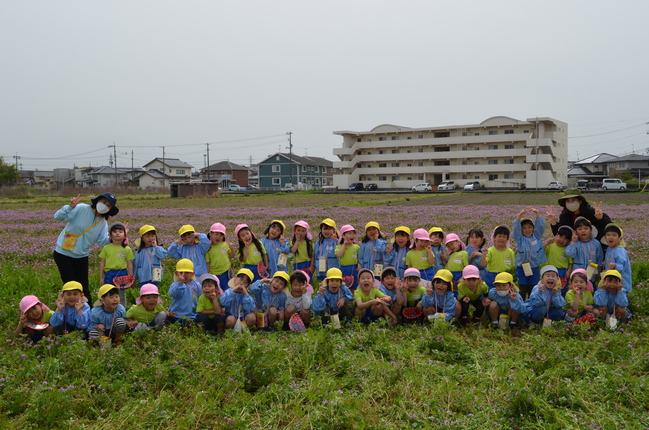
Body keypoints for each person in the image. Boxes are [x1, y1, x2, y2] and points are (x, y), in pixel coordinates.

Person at [53, 192, 118, 305]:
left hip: (82, 255)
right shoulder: (81, 208)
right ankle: (68, 312)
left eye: (108, 205)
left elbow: (102, 241)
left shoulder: (102, 222)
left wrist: (117, 237)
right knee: (70, 286)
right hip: (63, 254)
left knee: (83, 286)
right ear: (97, 201)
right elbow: (58, 217)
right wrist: (69, 208)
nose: (104, 205)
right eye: (103, 202)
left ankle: (88, 313)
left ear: (110, 209)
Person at [512, 207, 547, 300]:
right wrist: (519, 215)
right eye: (524, 228)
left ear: (533, 228)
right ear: (521, 230)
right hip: (522, 267)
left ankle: (531, 305)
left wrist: (537, 213)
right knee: (522, 290)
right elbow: (515, 228)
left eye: (530, 227)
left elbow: (540, 225)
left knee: (533, 288)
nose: (527, 230)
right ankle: (521, 306)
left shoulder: (537, 236)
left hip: (534, 267)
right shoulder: (519, 238)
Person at [99, 222, 134, 306]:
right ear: (110, 235)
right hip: (109, 273)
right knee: (108, 293)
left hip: (122, 274)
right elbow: (102, 263)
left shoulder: (127, 249)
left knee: (121, 294)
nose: (117, 233)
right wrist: (101, 277)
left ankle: (121, 311)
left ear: (125, 236)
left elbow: (129, 264)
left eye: (120, 231)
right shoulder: (106, 248)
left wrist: (131, 276)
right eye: (115, 232)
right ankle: (109, 309)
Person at [565, 217, 604, 283]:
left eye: (586, 228)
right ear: (576, 232)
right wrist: (573, 241)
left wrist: (599, 270)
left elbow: (599, 257)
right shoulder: (574, 243)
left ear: (591, 230)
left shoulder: (596, 243)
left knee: (590, 290)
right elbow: (570, 254)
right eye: (579, 229)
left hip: (592, 273)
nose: (583, 231)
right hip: (578, 273)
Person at [481, 225, 515, 290]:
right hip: (492, 275)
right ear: (494, 237)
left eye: (504, 237)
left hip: (505, 275)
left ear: (507, 239)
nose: (501, 238)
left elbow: (513, 266)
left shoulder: (510, 252)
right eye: (499, 236)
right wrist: (484, 255)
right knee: (492, 292)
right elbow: (483, 264)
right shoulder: (490, 250)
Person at [167, 259, 201, 324]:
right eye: (181, 272)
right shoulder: (175, 285)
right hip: (176, 316)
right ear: (176, 273)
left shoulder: (197, 285)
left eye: (187, 272)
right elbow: (174, 294)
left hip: (191, 316)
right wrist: (180, 283)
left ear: (192, 273)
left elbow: (201, 297)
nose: (184, 275)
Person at [542, 226, 574, 294]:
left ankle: (561, 301)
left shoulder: (567, 249)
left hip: (562, 272)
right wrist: (547, 243)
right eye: (560, 237)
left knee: (562, 289)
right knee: (550, 287)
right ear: (556, 235)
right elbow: (541, 250)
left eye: (565, 239)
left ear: (569, 241)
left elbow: (570, 263)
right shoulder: (551, 245)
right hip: (551, 270)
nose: (562, 240)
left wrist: (568, 271)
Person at [602, 223, 632, 292]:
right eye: (608, 235)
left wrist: (615, 266)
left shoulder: (620, 250)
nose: (610, 237)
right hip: (611, 278)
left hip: (620, 280)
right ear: (605, 237)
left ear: (620, 238)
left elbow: (621, 266)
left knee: (620, 294)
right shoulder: (609, 248)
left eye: (614, 235)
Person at [205, 223, 234, 290]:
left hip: (226, 272)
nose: (219, 236)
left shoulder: (225, 244)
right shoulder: (209, 248)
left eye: (221, 235)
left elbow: (232, 256)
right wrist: (208, 274)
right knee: (217, 290)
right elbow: (208, 262)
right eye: (216, 234)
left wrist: (232, 248)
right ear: (210, 234)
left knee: (228, 289)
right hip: (215, 274)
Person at [335, 225, 360, 289]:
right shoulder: (339, 246)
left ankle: (353, 298)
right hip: (344, 269)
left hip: (354, 268)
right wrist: (344, 245)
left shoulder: (356, 247)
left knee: (355, 286)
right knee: (344, 286)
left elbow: (360, 258)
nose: (352, 235)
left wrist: (359, 266)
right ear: (343, 236)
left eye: (353, 234)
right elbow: (338, 255)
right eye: (349, 233)